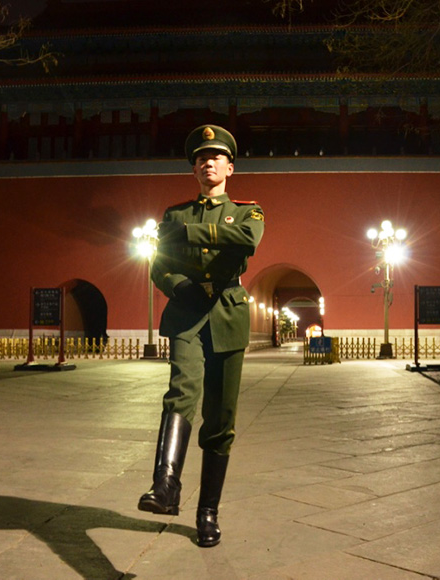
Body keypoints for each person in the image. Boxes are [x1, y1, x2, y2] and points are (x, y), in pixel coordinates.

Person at [137, 125, 265, 548]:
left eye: (216, 157)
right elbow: (160, 265)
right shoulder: (174, 214)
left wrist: (189, 235)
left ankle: (207, 511)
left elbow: (246, 240)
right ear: (193, 169)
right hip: (187, 313)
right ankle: (165, 486)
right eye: (200, 158)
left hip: (227, 313)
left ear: (230, 168)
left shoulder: (248, 212)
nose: (208, 162)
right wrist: (178, 287)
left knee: (220, 419)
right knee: (181, 390)